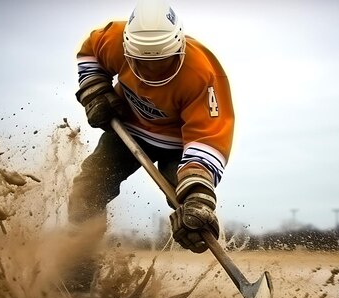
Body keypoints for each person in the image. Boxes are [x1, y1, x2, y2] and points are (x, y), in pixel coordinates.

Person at [69, 0, 234, 255]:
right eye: (142, 62)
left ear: (179, 47)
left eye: (161, 62)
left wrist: (198, 192)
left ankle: (197, 215)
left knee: (193, 211)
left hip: (179, 147)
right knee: (88, 188)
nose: (152, 70)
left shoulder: (203, 75)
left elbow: (207, 138)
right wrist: (94, 89)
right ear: (127, 47)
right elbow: (91, 52)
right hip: (129, 129)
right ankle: (78, 270)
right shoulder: (113, 40)